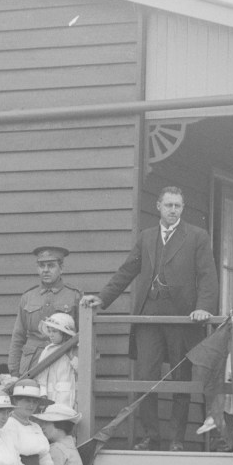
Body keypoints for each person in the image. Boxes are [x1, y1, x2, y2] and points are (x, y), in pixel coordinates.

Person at [87, 186, 215, 447]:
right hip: (149, 317)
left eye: (178, 206)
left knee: (181, 377)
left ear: (183, 208)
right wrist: (103, 298)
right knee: (146, 375)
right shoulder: (147, 237)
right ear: (158, 206)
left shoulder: (197, 236)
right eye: (168, 205)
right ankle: (150, 435)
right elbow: (127, 270)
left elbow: (207, 276)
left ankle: (177, 439)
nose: (173, 210)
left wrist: (203, 307)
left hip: (182, 319)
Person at [9, 244, 82, 377]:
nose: (46, 270)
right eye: (42, 266)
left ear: (61, 268)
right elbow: (18, 336)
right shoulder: (28, 296)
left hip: (62, 360)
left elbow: (83, 335)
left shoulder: (74, 296)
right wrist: (14, 370)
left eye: (51, 265)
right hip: (32, 363)